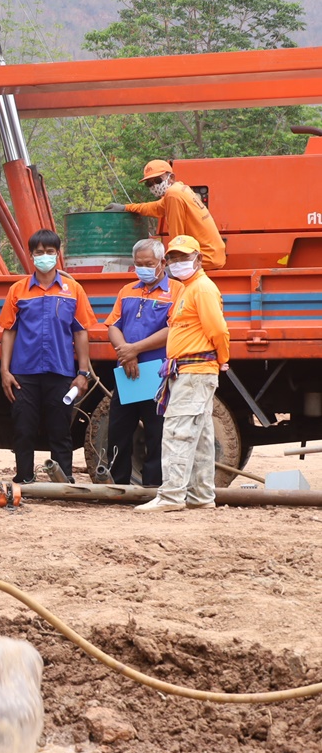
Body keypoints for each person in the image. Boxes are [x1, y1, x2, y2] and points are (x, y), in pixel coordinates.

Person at [137, 235, 230, 512]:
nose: (177, 263)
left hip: (194, 370)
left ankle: (171, 496)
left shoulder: (200, 288)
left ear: (198, 259)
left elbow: (218, 330)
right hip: (191, 370)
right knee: (199, 436)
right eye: (173, 258)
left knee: (178, 431)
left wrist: (222, 359)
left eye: (183, 257)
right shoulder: (190, 288)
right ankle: (201, 496)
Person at [0, 229, 95, 484]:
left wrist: (83, 373)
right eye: (39, 252)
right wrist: (4, 371)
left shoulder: (73, 290)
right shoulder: (18, 290)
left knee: (60, 430)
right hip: (23, 373)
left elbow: (81, 332)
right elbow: (9, 332)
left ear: (58, 254)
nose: (45, 256)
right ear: (31, 256)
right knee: (23, 429)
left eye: (50, 251)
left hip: (61, 372)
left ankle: (63, 481)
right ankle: (24, 479)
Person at [104, 238, 181, 486]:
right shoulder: (127, 291)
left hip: (158, 375)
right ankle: (118, 485)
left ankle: (153, 487)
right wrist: (125, 353)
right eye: (138, 264)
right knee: (118, 431)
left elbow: (173, 329)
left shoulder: (177, 291)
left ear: (162, 263)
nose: (143, 268)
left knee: (156, 433)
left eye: (149, 264)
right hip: (127, 374)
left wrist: (133, 350)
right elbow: (113, 325)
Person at [113, 161, 225, 270]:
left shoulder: (173, 194)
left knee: (158, 274)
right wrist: (126, 207)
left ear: (171, 177)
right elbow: (155, 208)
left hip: (204, 257)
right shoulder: (179, 189)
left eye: (157, 180)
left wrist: (171, 261)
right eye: (149, 183)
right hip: (211, 254)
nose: (154, 186)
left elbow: (178, 239)